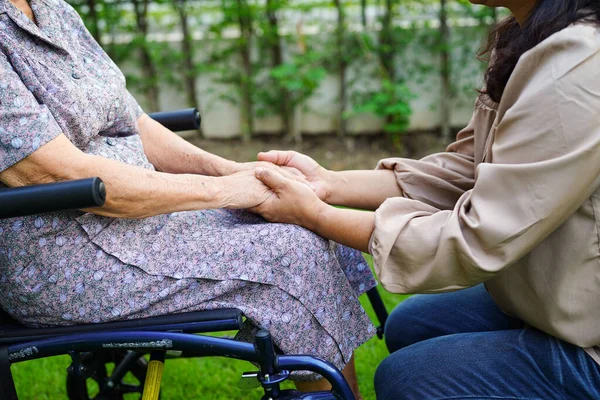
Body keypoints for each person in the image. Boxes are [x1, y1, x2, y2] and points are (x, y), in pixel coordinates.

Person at [0, 0, 377, 396]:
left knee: (295, 213)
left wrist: (241, 172)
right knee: (291, 252)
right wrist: (227, 191)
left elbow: (135, 123)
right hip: (66, 255)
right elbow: (56, 172)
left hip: (137, 218)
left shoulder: (52, 8)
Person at [252, 0, 600, 398]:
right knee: (410, 326)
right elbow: (469, 171)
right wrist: (328, 184)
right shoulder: (531, 36)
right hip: (559, 298)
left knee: (406, 378)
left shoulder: (578, 63)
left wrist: (315, 215)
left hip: (591, 339)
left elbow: (477, 237)